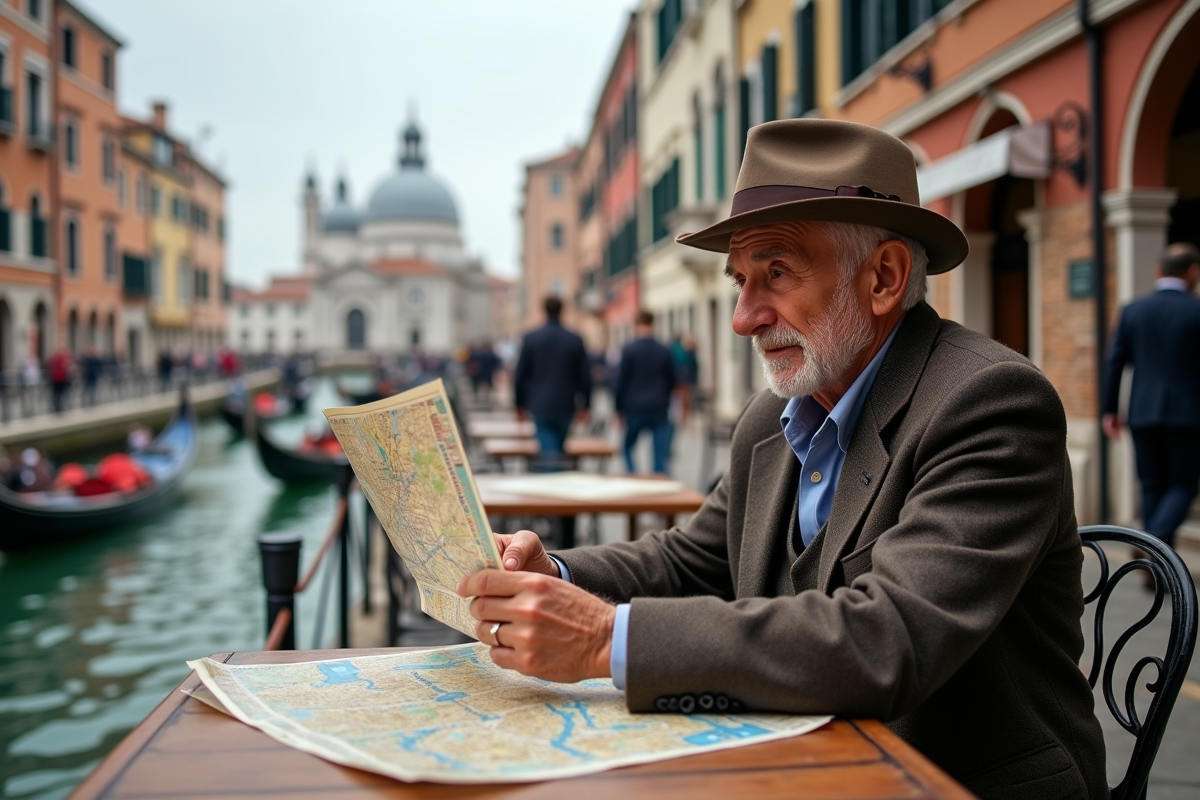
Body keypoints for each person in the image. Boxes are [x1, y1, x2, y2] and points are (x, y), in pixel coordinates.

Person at [458, 119, 1107, 799]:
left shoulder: (991, 403)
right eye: (740, 280)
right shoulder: (774, 415)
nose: (743, 317)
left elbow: (886, 637)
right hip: (808, 763)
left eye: (776, 273)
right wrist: (553, 573)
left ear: (883, 276)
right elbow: (695, 561)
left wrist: (604, 640)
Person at [1103, 242, 1200, 551]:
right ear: (1193, 272)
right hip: (1188, 413)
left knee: (1151, 485)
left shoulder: (1133, 310)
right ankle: (1155, 544)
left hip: (1142, 411)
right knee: (1183, 484)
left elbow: (1115, 362)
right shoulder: (1196, 310)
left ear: (1158, 272)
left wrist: (1110, 410)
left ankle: (1154, 562)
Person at [513, 296, 591, 468]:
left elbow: (520, 375)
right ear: (562, 310)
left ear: (544, 310)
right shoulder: (574, 339)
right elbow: (585, 376)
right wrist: (586, 405)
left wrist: (518, 404)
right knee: (557, 448)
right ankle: (557, 481)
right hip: (566, 403)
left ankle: (552, 483)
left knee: (549, 452)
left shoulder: (531, 338)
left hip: (539, 403)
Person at [614, 311, 678, 475]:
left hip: (634, 406)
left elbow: (621, 382)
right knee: (660, 453)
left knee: (627, 446)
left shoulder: (629, 349)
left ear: (636, 325)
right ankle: (659, 483)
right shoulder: (663, 349)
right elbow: (672, 380)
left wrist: (618, 409)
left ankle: (633, 475)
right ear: (652, 323)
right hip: (658, 406)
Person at [47, 347, 73, 413]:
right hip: (57, 379)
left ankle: (59, 407)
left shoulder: (60, 359)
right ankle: (58, 407)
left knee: (59, 394)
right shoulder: (59, 359)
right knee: (58, 394)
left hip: (61, 379)